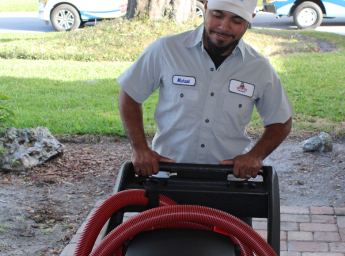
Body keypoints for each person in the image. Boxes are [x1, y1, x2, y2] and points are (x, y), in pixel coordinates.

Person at [117, 0, 293, 180]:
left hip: (228, 182)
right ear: (206, 6)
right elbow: (130, 93)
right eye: (217, 15)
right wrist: (140, 149)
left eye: (237, 21)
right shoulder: (166, 50)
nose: (224, 27)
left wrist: (255, 155)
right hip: (167, 176)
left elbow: (281, 121)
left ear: (250, 20)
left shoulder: (259, 68)